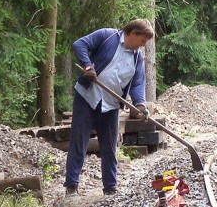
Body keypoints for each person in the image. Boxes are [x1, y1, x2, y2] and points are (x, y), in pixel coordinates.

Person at [64, 19, 154, 197]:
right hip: (87, 98)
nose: (143, 46)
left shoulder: (137, 57)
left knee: (110, 147)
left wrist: (140, 105)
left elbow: (137, 84)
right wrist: (87, 65)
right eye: (143, 41)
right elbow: (79, 44)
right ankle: (71, 186)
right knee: (78, 142)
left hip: (111, 105)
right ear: (133, 34)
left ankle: (110, 188)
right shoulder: (107, 36)